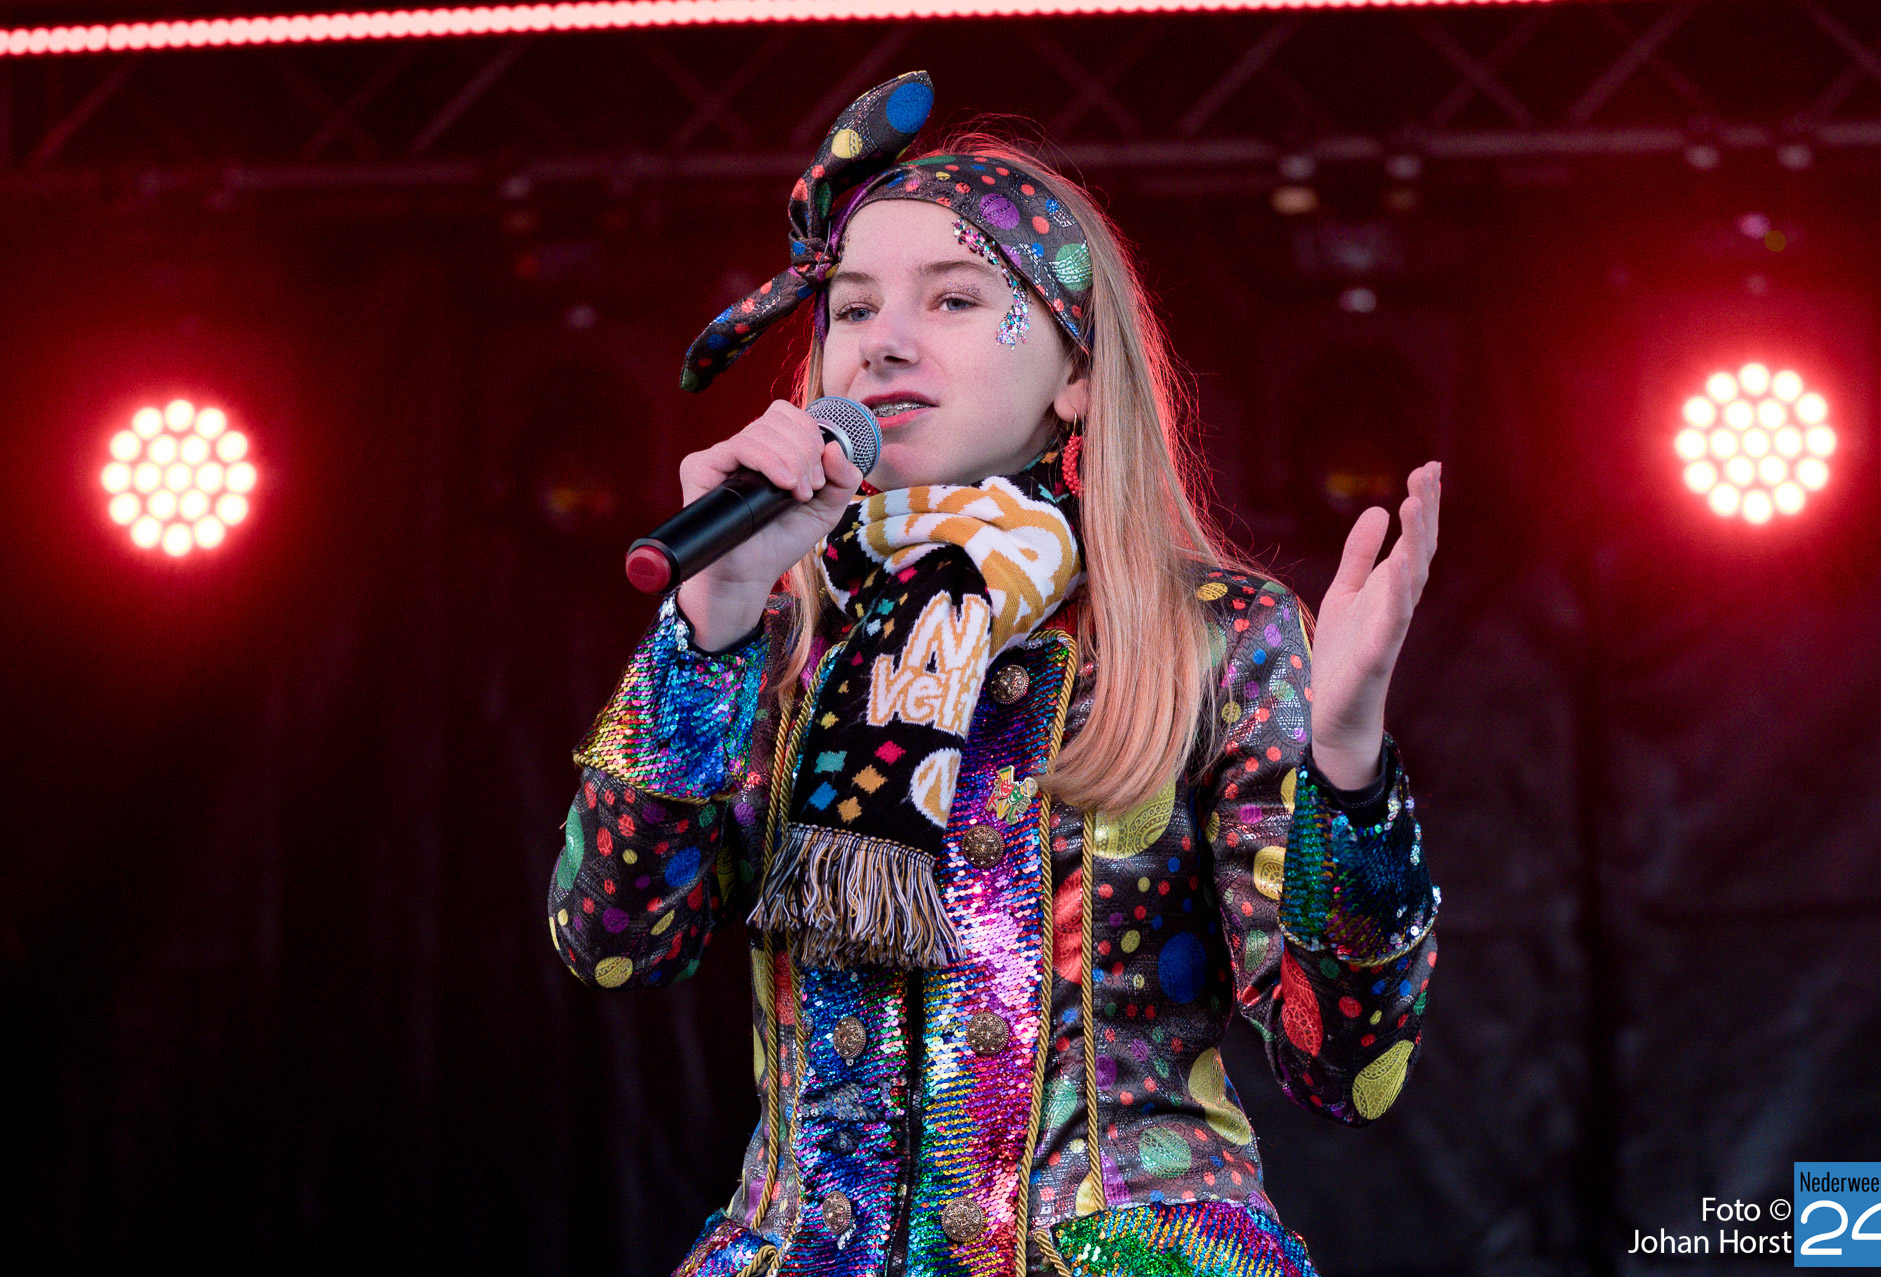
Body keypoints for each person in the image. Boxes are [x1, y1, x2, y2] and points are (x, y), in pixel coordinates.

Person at [548, 71, 1443, 1277]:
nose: (885, 338)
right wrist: (706, 629)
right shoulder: (775, 632)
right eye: (852, 307)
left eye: (955, 297)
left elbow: (1344, 1067)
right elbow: (610, 938)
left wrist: (1349, 772)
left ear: (1075, 373)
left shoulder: (1211, 636)